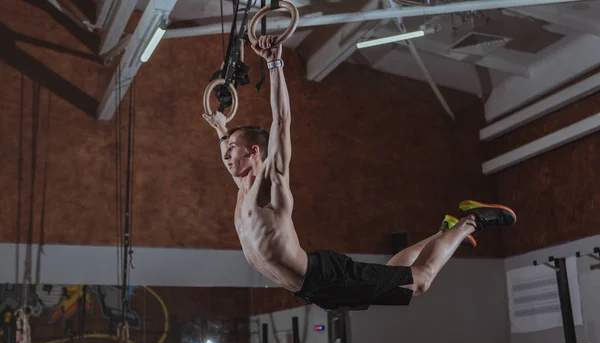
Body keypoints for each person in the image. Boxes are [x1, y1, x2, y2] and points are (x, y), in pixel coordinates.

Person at [202, 34, 517, 310]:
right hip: (315, 291)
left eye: (232, 149)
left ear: (255, 152)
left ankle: (471, 221)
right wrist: (221, 130)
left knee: (420, 281)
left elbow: (282, 120)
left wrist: (274, 64)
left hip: (323, 276)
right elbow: (227, 154)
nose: (226, 155)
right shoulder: (243, 189)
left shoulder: (271, 182)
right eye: (226, 149)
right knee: (398, 281)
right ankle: (443, 232)